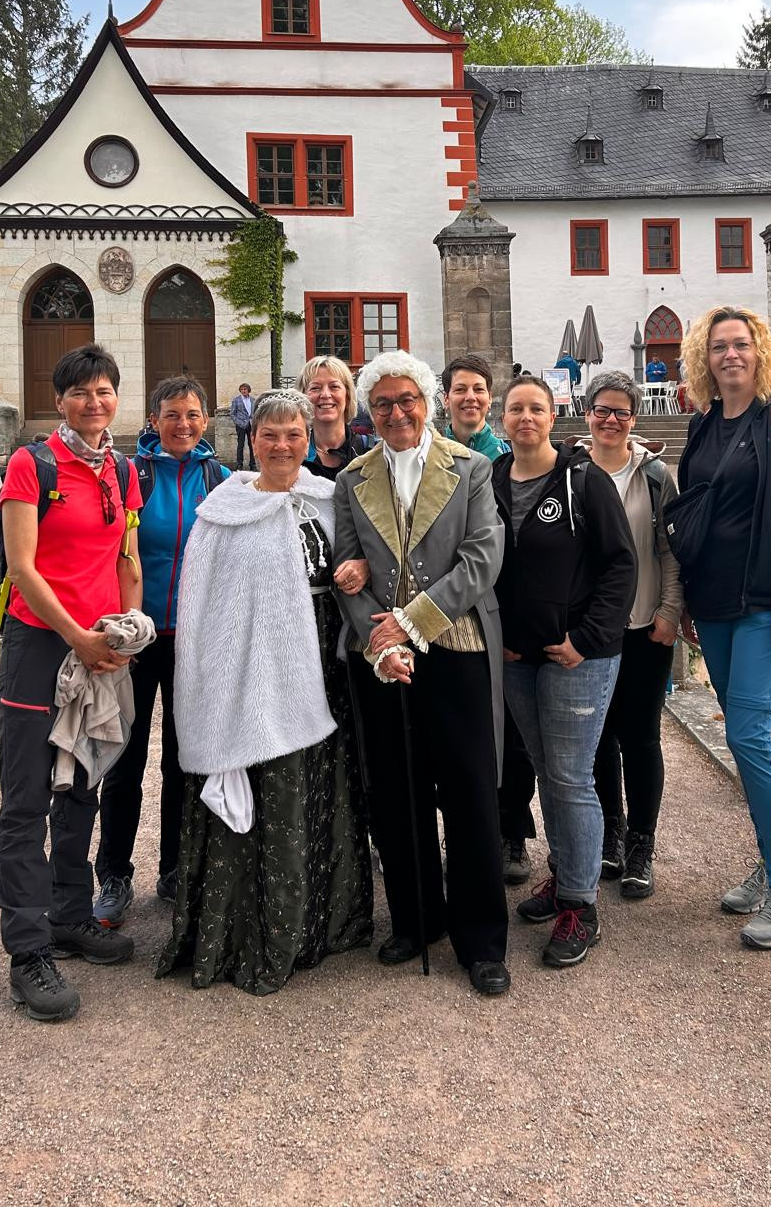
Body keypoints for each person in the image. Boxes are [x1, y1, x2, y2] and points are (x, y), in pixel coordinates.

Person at [157, 389, 372, 995]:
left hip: (324, 668)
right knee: (274, 786)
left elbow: (360, 569)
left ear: (309, 439)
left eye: (294, 434)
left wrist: (358, 571)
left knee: (324, 784)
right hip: (254, 678)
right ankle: (259, 930)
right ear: (252, 441)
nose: (282, 445)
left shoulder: (328, 500)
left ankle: (326, 921)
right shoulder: (223, 512)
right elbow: (206, 614)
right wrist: (220, 693)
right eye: (270, 435)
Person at [332, 350, 510, 998]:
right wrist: (379, 642)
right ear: (369, 412)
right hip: (384, 657)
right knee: (397, 794)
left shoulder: (471, 469)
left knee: (469, 796)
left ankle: (481, 939)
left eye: (407, 399)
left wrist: (412, 622)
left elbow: (482, 558)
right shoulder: (351, 479)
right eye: (382, 403)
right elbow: (348, 570)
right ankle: (416, 919)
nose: (396, 412)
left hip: (456, 644)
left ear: (427, 402)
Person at [0, 344, 143, 1022]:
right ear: (59, 401)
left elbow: (126, 558)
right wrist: (78, 637)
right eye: (80, 392)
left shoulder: (122, 469)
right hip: (41, 643)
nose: (93, 402)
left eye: (104, 390)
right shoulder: (33, 464)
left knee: (84, 783)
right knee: (27, 800)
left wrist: (127, 633)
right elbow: (22, 568)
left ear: (116, 397)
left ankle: (69, 913)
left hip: (100, 644)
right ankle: (28, 952)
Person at [676, 305, 771, 950]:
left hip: (766, 605)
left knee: (748, 734)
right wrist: (685, 599)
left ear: (759, 351)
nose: (730, 355)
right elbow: (691, 513)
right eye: (718, 347)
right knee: (744, 740)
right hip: (713, 606)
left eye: (741, 344)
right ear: (703, 359)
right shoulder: (704, 425)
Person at [492, 375, 637, 969]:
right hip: (518, 657)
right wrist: (499, 635)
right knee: (548, 771)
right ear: (503, 419)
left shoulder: (584, 481)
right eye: (516, 409)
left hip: (578, 655)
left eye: (537, 408)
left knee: (572, 776)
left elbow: (620, 566)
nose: (526, 417)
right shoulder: (492, 480)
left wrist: (586, 639)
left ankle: (581, 905)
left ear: (554, 416)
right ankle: (567, 874)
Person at [92, 376, 227, 928]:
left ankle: (175, 868)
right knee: (124, 761)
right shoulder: (131, 474)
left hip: (191, 640)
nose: (183, 425)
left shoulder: (217, 479)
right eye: (172, 414)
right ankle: (114, 875)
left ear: (205, 420)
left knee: (180, 759)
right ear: (153, 420)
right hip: (137, 637)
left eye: (192, 415)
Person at [580, 371, 683, 900]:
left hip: (644, 625)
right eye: (602, 409)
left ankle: (643, 841)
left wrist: (670, 610)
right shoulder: (571, 471)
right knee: (598, 739)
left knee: (641, 737)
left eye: (621, 411)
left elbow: (670, 549)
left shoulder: (655, 476)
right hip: (589, 632)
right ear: (588, 413)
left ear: (633, 418)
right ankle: (611, 833)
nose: (611, 419)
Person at [440, 353, 535, 888]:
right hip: (451, 613)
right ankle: (464, 832)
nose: (470, 397)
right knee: (459, 733)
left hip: (500, 612)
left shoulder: (503, 459)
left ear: (489, 398)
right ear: (446, 398)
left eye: (478, 389)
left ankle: (512, 831)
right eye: (461, 389)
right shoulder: (432, 454)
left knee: (511, 734)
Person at [296, 354, 375, 481]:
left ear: (347, 396)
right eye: (315, 388)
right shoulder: (294, 457)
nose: (325, 394)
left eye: (334, 387)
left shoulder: (372, 452)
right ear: (303, 398)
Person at [229, 382, 255, 470]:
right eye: (241, 389)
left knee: (252, 445)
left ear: (248, 390)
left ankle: (253, 464)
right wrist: (238, 422)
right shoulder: (236, 400)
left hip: (251, 424)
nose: (243, 391)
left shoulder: (253, 400)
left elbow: (255, 412)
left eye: (245, 389)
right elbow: (232, 414)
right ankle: (239, 464)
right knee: (240, 444)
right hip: (240, 425)